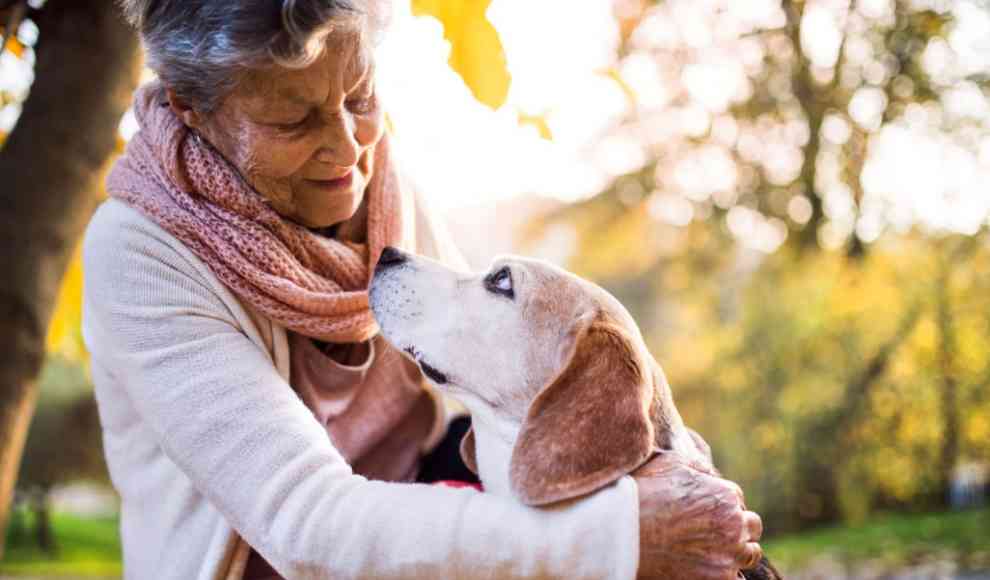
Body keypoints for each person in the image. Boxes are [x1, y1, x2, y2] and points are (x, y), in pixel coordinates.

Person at [81, 1, 764, 578]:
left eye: (360, 96)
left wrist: (666, 473)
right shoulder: (138, 252)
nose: (349, 149)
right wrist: (620, 537)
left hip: (441, 494)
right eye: (294, 121)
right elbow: (306, 523)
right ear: (190, 109)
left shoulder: (380, 179)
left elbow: (491, 379)